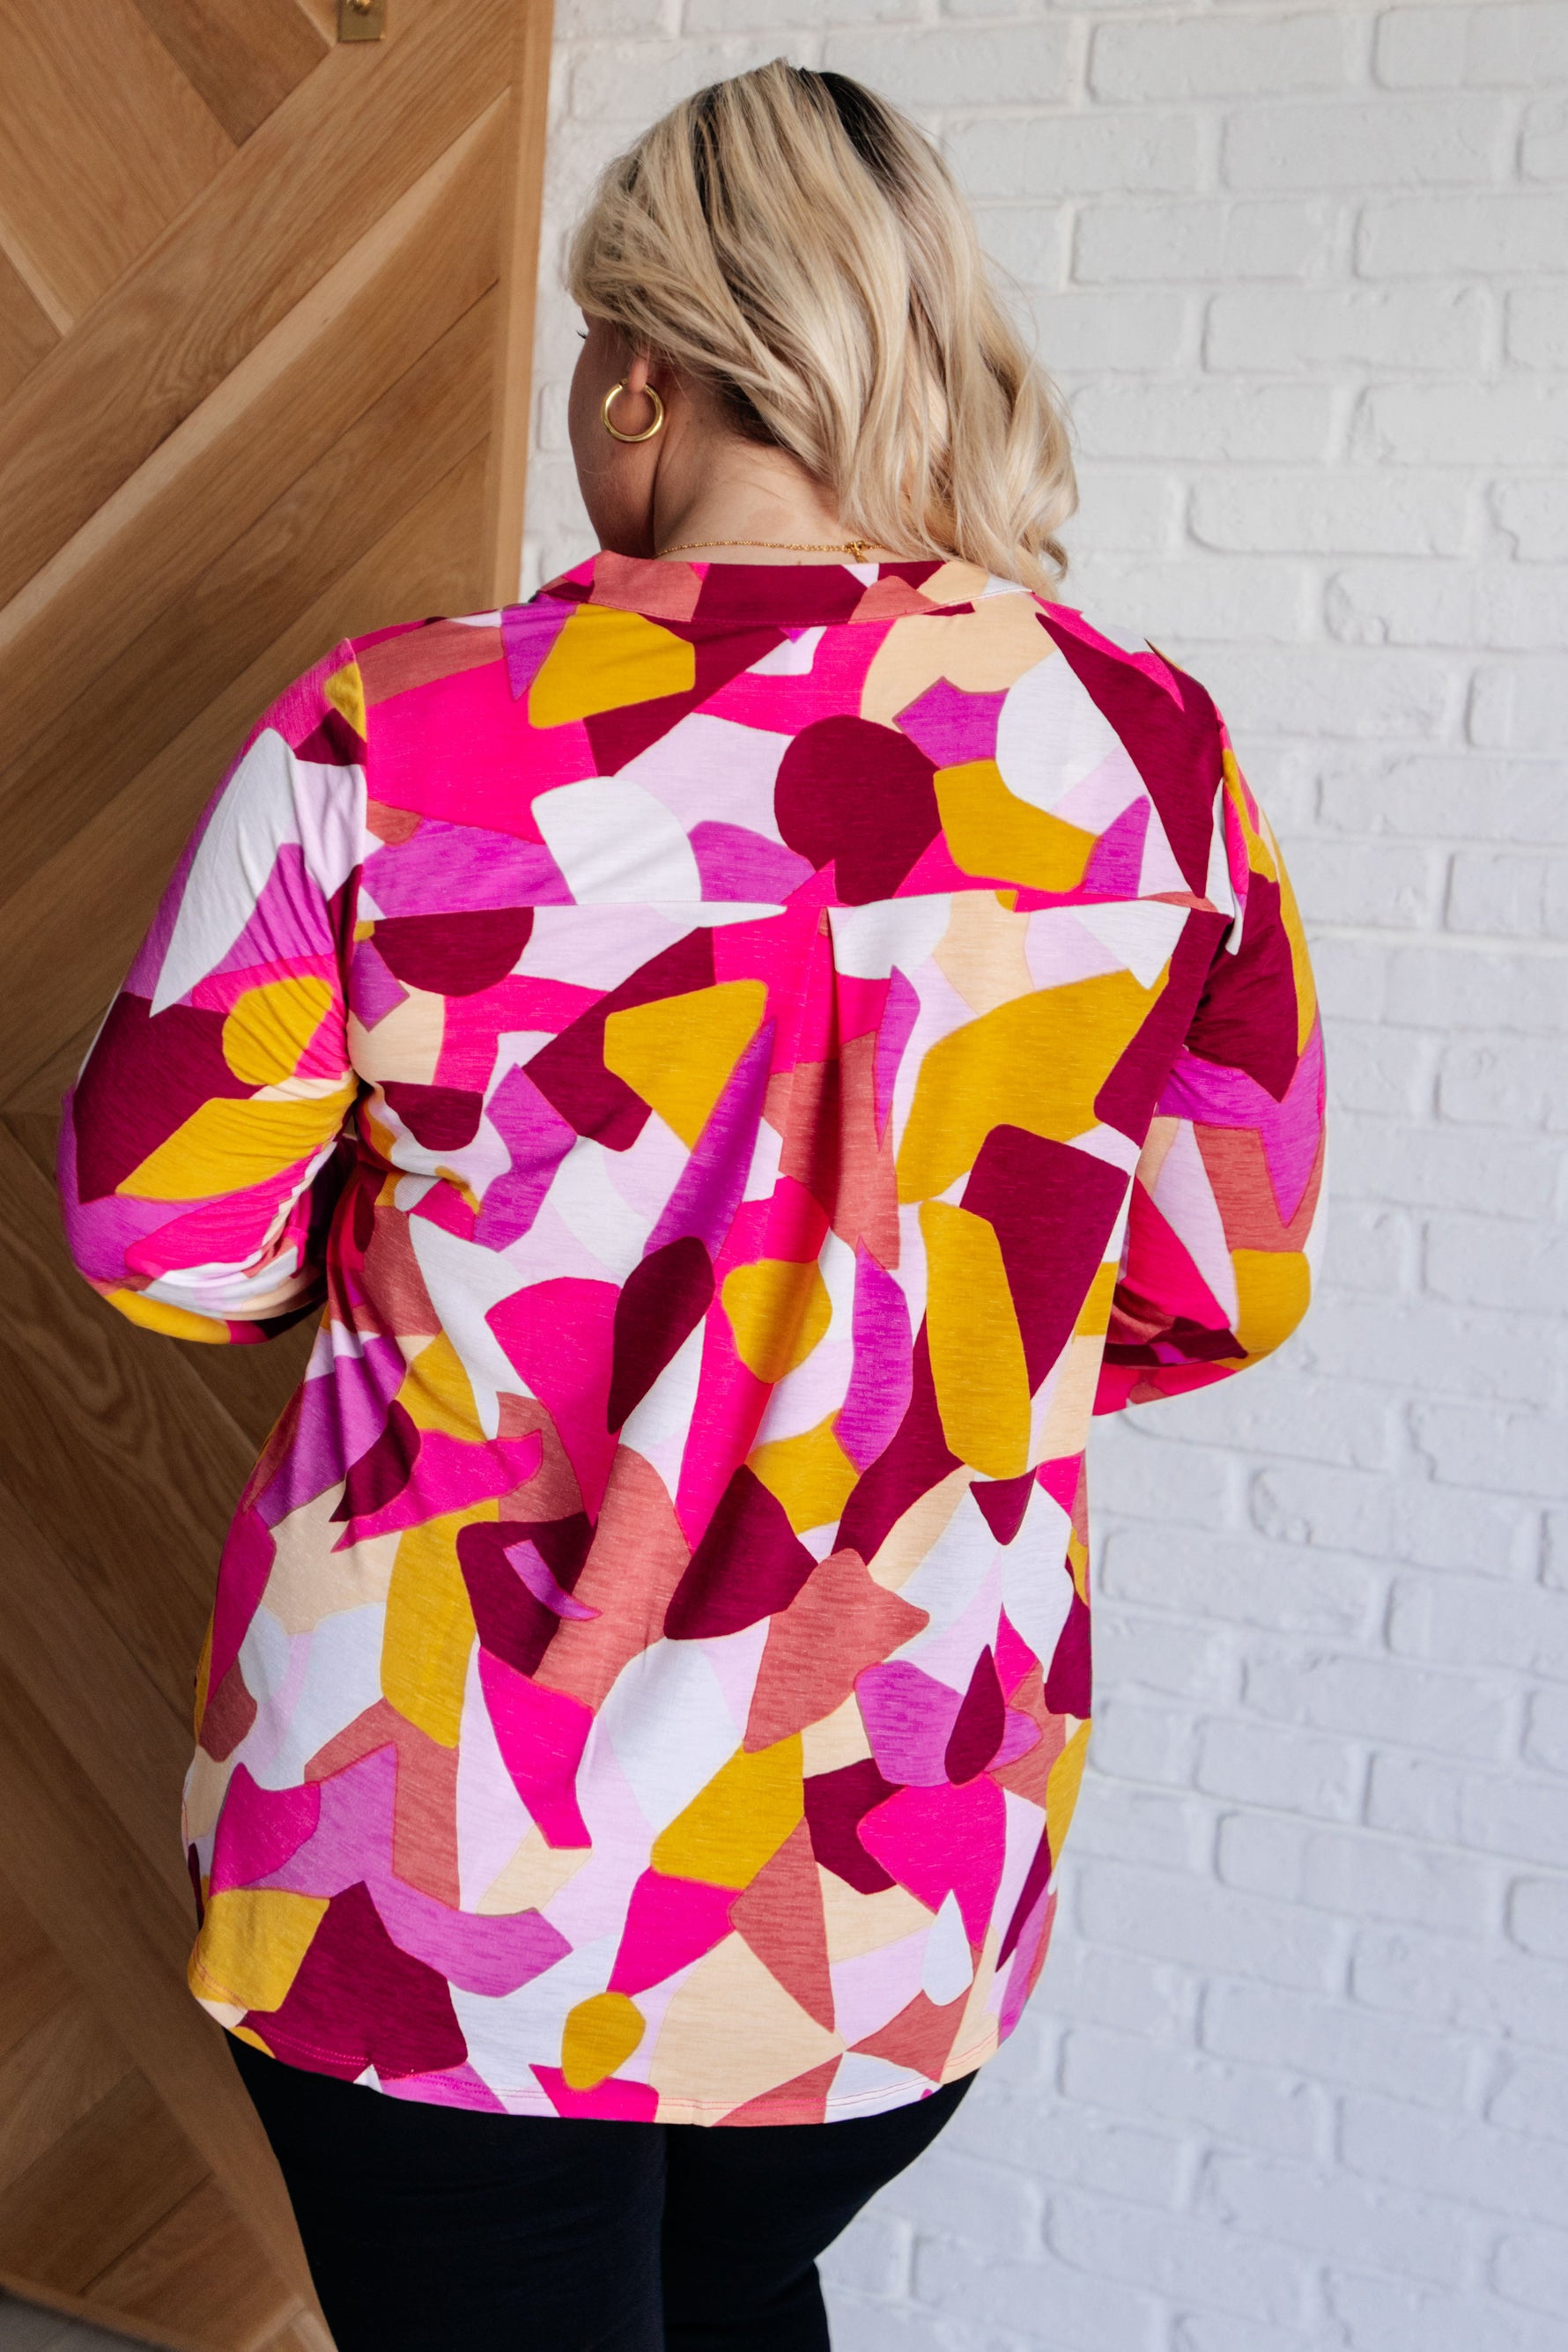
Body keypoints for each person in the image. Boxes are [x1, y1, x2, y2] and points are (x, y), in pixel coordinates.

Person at [59, 59, 1326, 2352]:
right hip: (892, 1828)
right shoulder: (1145, 754)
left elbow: (165, 1232)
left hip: (438, 1842)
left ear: (639, 371)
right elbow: (1219, 1273)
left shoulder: (391, 735)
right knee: (737, 2303)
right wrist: (904, 1339)